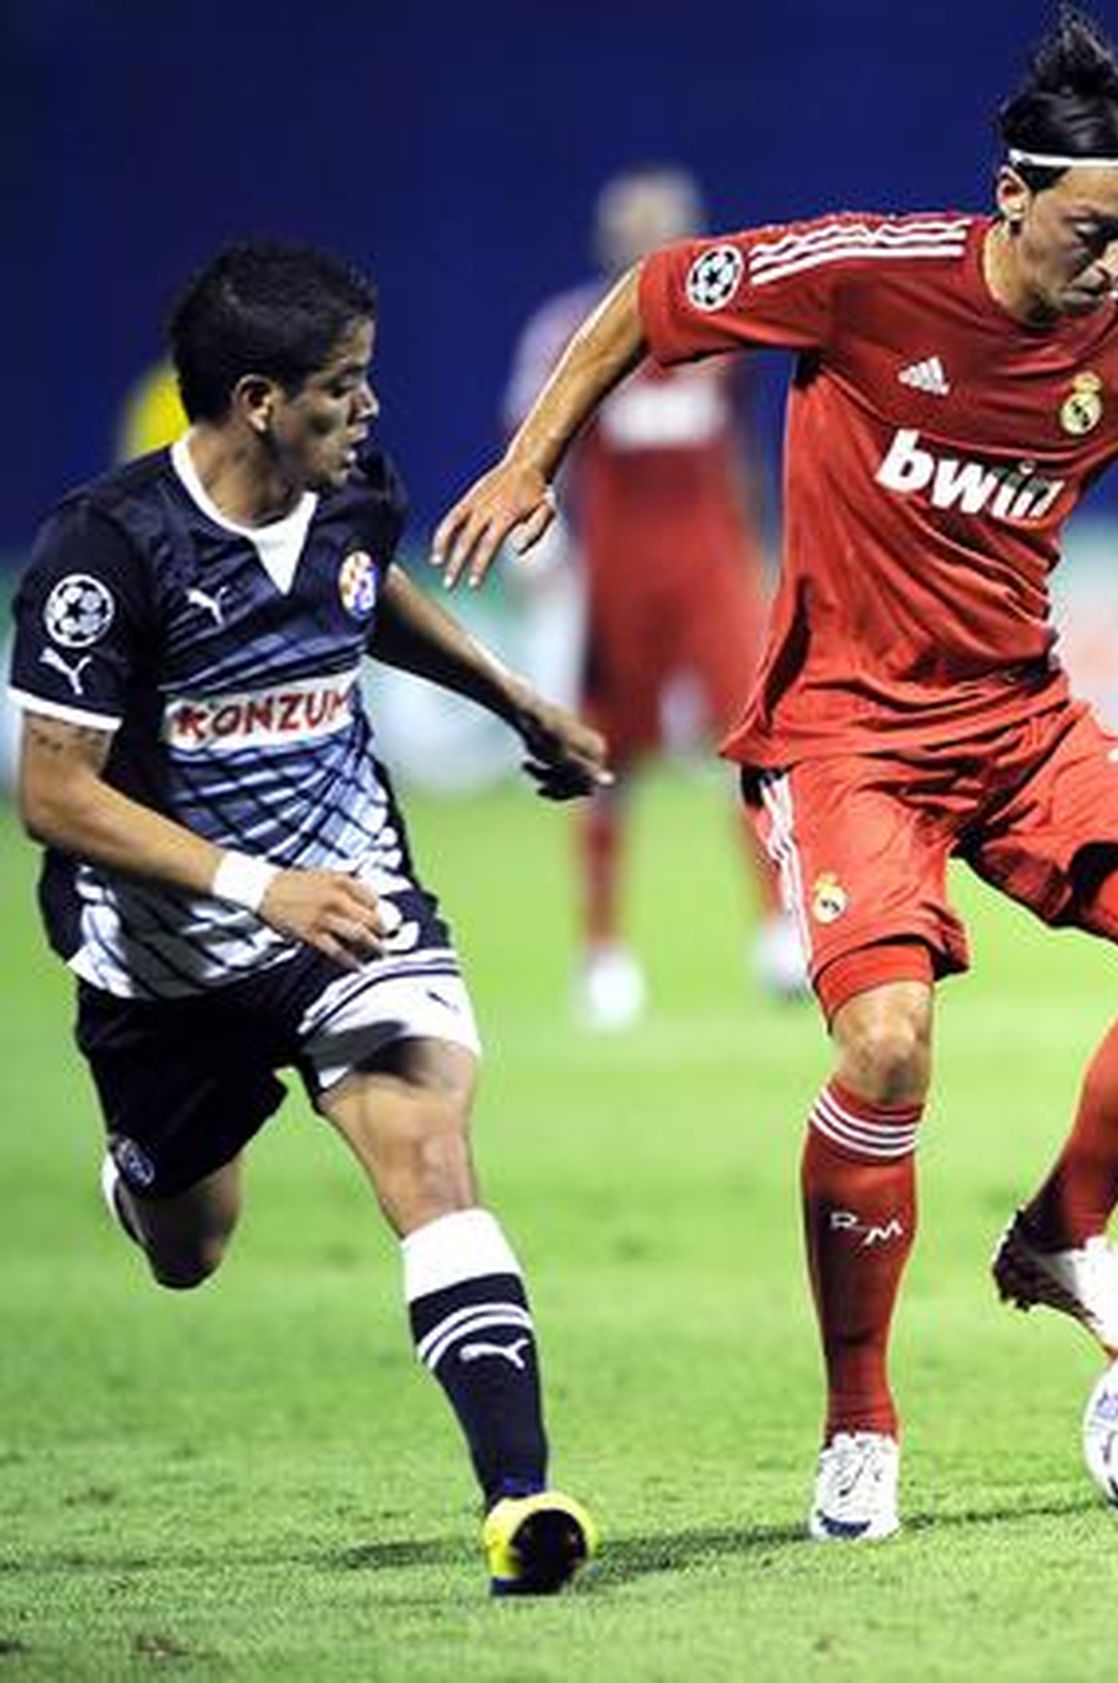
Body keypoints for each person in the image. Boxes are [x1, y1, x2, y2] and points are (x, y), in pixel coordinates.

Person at [432, 9, 1118, 1545]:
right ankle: (860, 1419)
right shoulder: (866, 275)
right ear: (1014, 191)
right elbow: (651, 295)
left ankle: (1061, 1233)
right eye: (1097, 230)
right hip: (845, 732)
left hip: (1021, 722)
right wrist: (533, 460)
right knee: (887, 1045)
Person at [8, 242, 609, 1594]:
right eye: (344, 383)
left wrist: (513, 699)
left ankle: (520, 1497)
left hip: (352, 907)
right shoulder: (107, 551)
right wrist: (253, 885)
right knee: (189, 1246)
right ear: (259, 401)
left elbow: (358, 596)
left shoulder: (353, 491)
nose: (369, 405)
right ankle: (144, 1175)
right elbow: (53, 793)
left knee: (428, 1152)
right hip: (168, 964)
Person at [501, 164, 806, 1028]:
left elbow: (739, 448)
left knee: (755, 744)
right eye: (637, 228)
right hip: (620, 577)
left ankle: (780, 929)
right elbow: (532, 442)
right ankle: (602, 952)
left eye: (666, 227)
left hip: (711, 567)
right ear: (608, 240)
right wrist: (540, 548)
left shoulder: (724, 329)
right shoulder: (567, 332)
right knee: (605, 760)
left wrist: (762, 552)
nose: (651, 242)